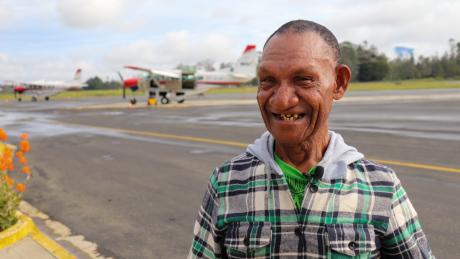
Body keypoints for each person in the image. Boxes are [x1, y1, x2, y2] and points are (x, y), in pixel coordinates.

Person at [188, 20, 434, 258]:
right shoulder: (227, 182)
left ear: (339, 83)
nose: (282, 100)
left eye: (303, 79)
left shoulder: (381, 187)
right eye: (268, 81)